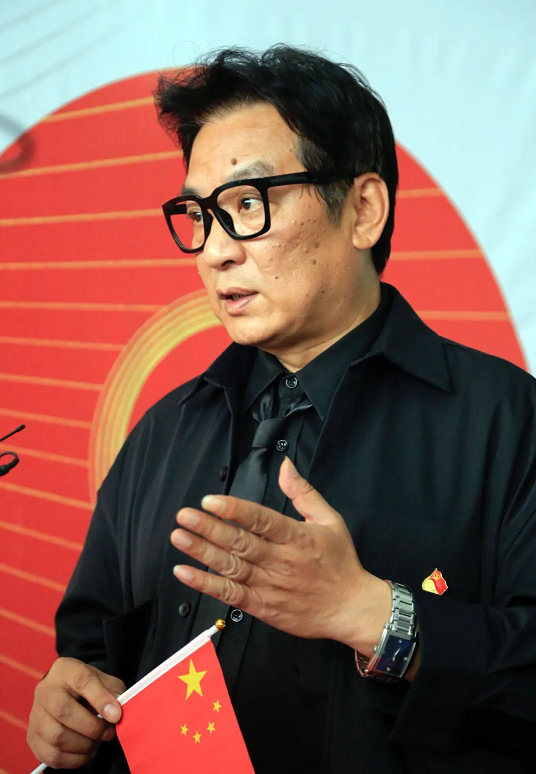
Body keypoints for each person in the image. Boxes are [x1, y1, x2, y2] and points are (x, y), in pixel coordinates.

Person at [27, 46, 536, 773]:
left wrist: (373, 616)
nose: (213, 252)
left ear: (363, 210)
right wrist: (69, 705)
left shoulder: (508, 422)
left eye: (246, 205)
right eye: (199, 215)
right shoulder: (162, 433)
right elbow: (90, 648)